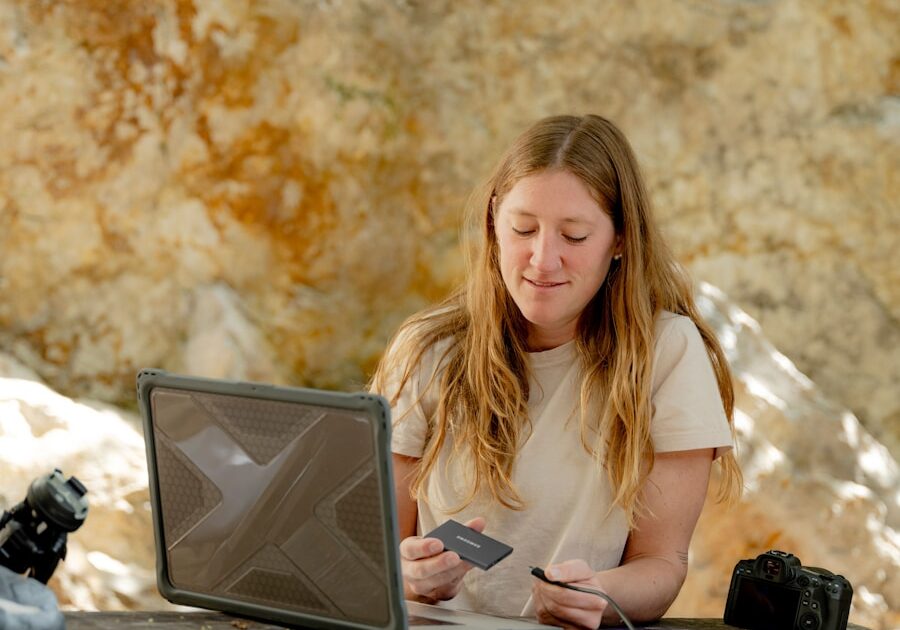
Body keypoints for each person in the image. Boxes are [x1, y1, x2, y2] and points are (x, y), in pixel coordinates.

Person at [369, 114, 742, 629]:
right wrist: (406, 577)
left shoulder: (667, 352)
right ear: (493, 221)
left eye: (574, 235)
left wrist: (599, 595)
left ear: (620, 241)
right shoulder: (427, 349)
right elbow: (372, 553)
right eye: (523, 229)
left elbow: (662, 564)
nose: (543, 260)